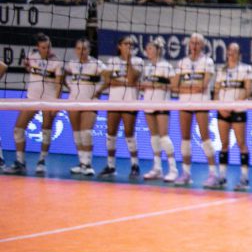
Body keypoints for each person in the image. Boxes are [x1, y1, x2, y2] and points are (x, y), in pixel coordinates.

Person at [5, 33, 62, 175]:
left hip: (49, 100)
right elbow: (30, 68)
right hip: (32, 99)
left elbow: (59, 84)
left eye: (49, 47)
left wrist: (56, 104)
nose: (47, 50)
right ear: (38, 47)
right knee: (18, 128)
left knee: (46, 130)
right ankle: (20, 162)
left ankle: (41, 161)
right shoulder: (32, 56)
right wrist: (28, 66)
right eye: (43, 47)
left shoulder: (57, 62)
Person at [209, 42, 252, 190]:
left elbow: (247, 90)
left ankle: (244, 178)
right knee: (224, 144)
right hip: (222, 110)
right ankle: (222, 177)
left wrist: (233, 105)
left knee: (241, 143)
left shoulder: (246, 69)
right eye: (230, 50)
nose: (231, 53)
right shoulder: (221, 70)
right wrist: (220, 106)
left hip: (238, 110)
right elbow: (216, 91)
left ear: (239, 54)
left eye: (235, 51)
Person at [172, 33, 216, 186]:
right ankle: (186, 173)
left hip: (201, 103)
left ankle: (213, 174)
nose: (194, 46)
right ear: (189, 44)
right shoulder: (182, 62)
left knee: (205, 137)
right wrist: (192, 88)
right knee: (185, 138)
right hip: (184, 103)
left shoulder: (207, 62)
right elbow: (173, 86)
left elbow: (203, 86)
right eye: (192, 43)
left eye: (197, 43)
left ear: (202, 45)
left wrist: (184, 87)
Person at [99, 35, 144, 177]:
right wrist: (124, 82)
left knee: (129, 133)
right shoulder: (112, 61)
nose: (129, 46)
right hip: (114, 101)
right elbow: (108, 81)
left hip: (130, 101)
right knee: (111, 133)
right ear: (119, 46)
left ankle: (135, 165)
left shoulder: (138, 61)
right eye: (126, 44)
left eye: (131, 44)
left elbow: (131, 79)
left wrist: (128, 60)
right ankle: (111, 166)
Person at [62, 38, 105, 176]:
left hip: (90, 102)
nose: (81, 51)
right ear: (75, 50)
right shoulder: (72, 64)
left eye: (84, 49)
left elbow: (108, 78)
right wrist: (69, 86)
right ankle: (81, 163)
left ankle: (88, 164)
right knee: (77, 134)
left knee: (86, 133)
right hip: (73, 101)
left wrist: (98, 91)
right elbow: (62, 75)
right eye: (79, 48)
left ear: (89, 50)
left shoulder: (97, 64)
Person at [138, 40, 179, 182]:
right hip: (148, 103)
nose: (147, 51)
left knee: (164, 137)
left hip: (162, 103)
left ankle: (173, 169)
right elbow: (143, 85)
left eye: (150, 48)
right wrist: (144, 86)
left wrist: (158, 86)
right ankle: (157, 168)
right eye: (147, 48)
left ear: (158, 50)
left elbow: (174, 85)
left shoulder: (166, 66)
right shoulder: (147, 67)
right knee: (154, 137)